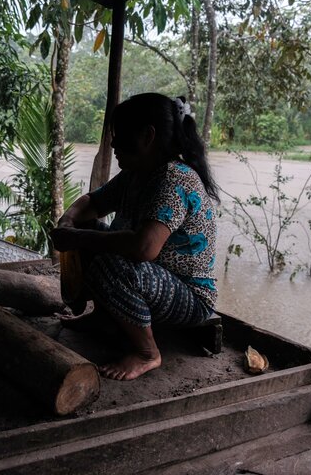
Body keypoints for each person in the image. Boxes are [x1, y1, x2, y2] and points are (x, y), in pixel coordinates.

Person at [50, 92, 219, 381]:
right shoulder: (137, 173)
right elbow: (92, 202)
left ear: (147, 136)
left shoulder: (173, 178)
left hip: (190, 296)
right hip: (153, 279)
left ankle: (147, 354)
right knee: (89, 232)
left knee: (112, 265)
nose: (114, 143)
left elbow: (144, 248)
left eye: (120, 134)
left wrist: (77, 239)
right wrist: (67, 222)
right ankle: (103, 318)